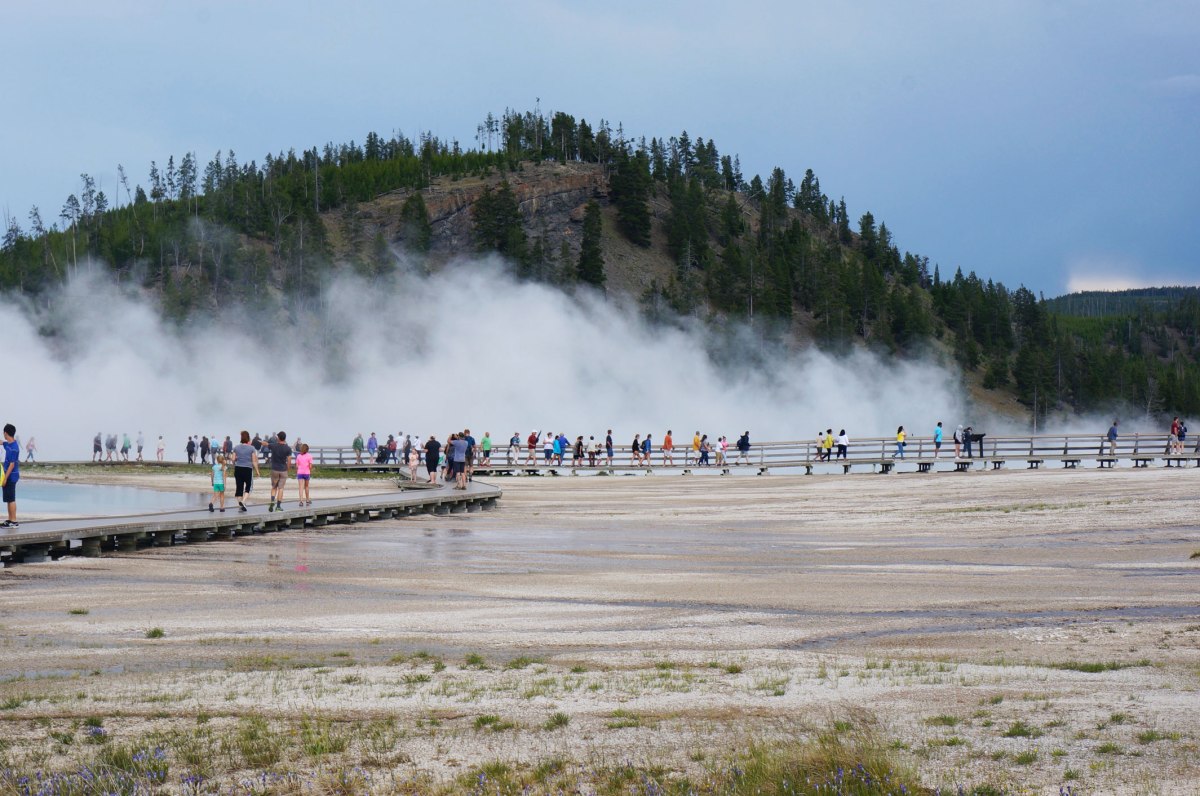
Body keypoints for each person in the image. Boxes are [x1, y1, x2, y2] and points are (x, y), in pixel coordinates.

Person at [232, 431, 260, 512]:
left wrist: (235, 463)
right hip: (247, 469)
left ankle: (240, 504)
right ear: (248, 438)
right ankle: (243, 502)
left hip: (238, 468)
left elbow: (233, 459)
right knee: (248, 487)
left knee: (239, 488)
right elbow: (254, 461)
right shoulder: (251, 448)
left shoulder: (236, 447)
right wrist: (257, 471)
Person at [267, 431, 292, 511]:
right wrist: (287, 469)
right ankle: (278, 506)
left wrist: (260, 442)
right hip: (283, 469)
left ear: (278, 437)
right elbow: (289, 461)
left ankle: (272, 501)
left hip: (274, 469)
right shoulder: (288, 448)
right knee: (281, 488)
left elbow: (265, 444)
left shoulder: (274, 446)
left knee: (274, 487)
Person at [1, 424, 20, 528]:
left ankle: (14, 521)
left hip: (11, 476)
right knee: (8, 498)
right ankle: (10, 519)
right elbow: (1, 442)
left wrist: (5, 478)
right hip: (8, 475)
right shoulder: (8, 444)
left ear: (5, 433)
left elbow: (12, 465)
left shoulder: (14, 448)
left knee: (11, 498)